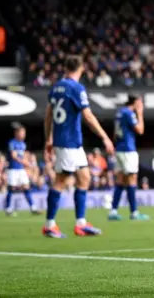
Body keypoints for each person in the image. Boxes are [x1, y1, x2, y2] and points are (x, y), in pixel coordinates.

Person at [42, 55, 114, 238]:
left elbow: (48, 115)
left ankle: (81, 223)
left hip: (71, 142)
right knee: (60, 180)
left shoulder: (56, 87)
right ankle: (49, 224)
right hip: (68, 142)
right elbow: (88, 116)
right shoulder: (76, 88)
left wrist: (48, 138)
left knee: (84, 177)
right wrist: (105, 137)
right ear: (81, 68)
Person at [109, 94, 150, 221]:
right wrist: (140, 114)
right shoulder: (129, 113)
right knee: (132, 179)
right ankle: (134, 212)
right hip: (128, 149)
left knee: (120, 180)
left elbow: (115, 133)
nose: (141, 105)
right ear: (136, 102)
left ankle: (113, 211)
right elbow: (140, 130)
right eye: (140, 102)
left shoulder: (119, 112)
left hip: (120, 148)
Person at [5, 124, 41, 216]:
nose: (23, 134)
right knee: (11, 188)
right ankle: (8, 209)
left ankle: (33, 207)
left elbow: (23, 156)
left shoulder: (23, 144)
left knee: (26, 187)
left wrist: (28, 162)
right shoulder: (12, 143)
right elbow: (13, 156)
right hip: (13, 169)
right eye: (22, 132)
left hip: (21, 169)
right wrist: (24, 162)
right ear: (16, 133)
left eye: (24, 133)